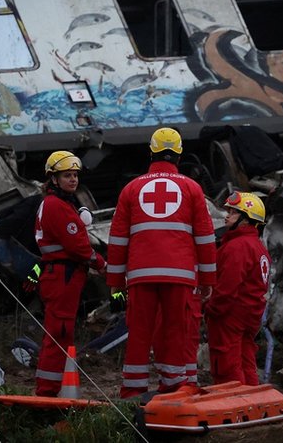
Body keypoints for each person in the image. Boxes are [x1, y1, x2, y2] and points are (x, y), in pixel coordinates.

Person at [107, 127, 216, 399]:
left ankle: (133, 391)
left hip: (141, 275)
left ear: (151, 153)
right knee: (176, 331)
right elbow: (205, 239)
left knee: (139, 332)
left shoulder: (131, 189)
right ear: (179, 155)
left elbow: (117, 240)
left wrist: (115, 281)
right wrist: (207, 280)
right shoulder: (192, 188)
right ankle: (174, 389)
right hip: (179, 275)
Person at [33, 150, 104, 396]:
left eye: (75, 175)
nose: (73, 179)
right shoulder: (57, 206)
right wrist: (102, 264)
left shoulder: (58, 203)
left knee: (61, 332)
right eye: (67, 175)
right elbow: (79, 247)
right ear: (54, 179)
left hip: (62, 275)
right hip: (62, 276)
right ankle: (47, 392)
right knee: (59, 333)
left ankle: (52, 388)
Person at [205, 191, 271, 386]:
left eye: (233, 212)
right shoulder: (258, 247)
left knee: (226, 365)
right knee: (245, 361)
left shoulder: (237, 246)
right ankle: (252, 399)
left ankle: (234, 401)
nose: (227, 216)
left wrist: (211, 309)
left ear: (246, 219)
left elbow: (227, 286)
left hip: (230, 315)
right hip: (250, 315)